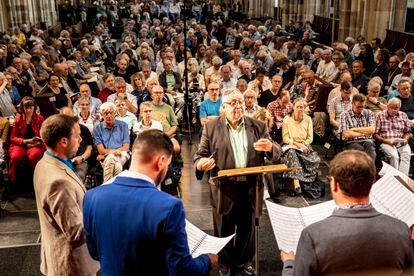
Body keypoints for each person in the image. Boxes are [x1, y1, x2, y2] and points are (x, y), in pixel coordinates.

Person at [84, 129, 218, 275]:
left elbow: (95, 252)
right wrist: (207, 260)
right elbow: (182, 269)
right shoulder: (168, 206)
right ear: (161, 162)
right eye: (168, 164)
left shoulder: (92, 197)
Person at [280, 150, 414, 275]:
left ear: (334, 184)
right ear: (372, 182)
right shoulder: (401, 229)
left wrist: (289, 263)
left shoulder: (313, 235)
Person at [194, 91, 281, 275]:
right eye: (233, 103)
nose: (238, 106)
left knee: (247, 229)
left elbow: (275, 149)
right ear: (223, 107)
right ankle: (225, 263)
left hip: (250, 187)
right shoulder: (211, 128)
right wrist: (201, 164)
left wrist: (270, 148)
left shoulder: (258, 126)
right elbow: (200, 155)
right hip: (224, 188)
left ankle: (243, 262)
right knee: (223, 228)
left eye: (240, 102)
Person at [33, 114, 99, 276]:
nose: (81, 141)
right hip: (71, 264)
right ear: (64, 142)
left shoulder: (44, 162)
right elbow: (76, 231)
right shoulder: (58, 182)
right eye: (77, 137)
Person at [281, 98, 320, 196]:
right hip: (290, 144)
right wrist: (296, 144)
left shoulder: (308, 119)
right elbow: (285, 138)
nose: (299, 109)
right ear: (293, 107)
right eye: (297, 107)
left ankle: (303, 181)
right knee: (292, 153)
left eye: (301, 107)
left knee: (312, 159)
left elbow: (310, 138)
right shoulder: (287, 119)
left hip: (304, 144)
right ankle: (296, 183)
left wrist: (304, 144)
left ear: (304, 108)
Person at [8, 97, 46, 184]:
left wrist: (37, 142)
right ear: (23, 108)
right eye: (26, 108)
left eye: (31, 107)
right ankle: (12, 181)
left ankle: (36, 180)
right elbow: (12, 138)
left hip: (36, 144)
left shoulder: (40, 119)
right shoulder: (18, 119)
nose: (29, 110)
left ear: (34, 107)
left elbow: (44, 135)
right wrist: (26, 141)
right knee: (15, 156)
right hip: (21, 143)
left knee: (34, 155)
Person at [93, 102, 130, 182]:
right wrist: (113, 152)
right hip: (106, 156)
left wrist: (110, 153)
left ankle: (106, 187)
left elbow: (126, 147)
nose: (109, 115)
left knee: (110, 158)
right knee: (117, 166)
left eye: (111, 113)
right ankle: (115, 190)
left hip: (121, 154)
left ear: (115, 113)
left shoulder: (123, 125)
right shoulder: (97, 128)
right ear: (102, 115)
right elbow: (101, 150)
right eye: (106, 113)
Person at [374, 98, 412, 176]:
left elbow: (407, 131)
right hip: (386, 141)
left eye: (396, 108)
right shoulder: (380, 115)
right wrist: (385, 141)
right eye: (392, 107)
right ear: (387, 106)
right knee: (394, 156)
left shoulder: (403, 115)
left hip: (400, 141)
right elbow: (375, 134)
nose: (394, 110)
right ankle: (395, 179)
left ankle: (403, 179)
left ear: (399, 108)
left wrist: (405, 139)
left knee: (406, 154)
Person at [60, 107, 94, 182]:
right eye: (66, 118)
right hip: (63, 161)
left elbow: (89, 148)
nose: (69, 121)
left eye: (71, 118)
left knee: (78, 176)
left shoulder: (83, 129)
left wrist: (82, 158)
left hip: (81, 161)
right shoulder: (59, 131)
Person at [340, 94, 376, 160]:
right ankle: (362, 168)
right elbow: (346, 134)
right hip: (351, 141)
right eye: (358, 106)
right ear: (352, 104)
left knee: (370, 145)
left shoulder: (369, 113)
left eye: (362, 106)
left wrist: (354, 129)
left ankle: (370, 168)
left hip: (367, 140)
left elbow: (372, 130)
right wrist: (365, 132)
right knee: (360, 150)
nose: (361, 109)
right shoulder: (344, 114)